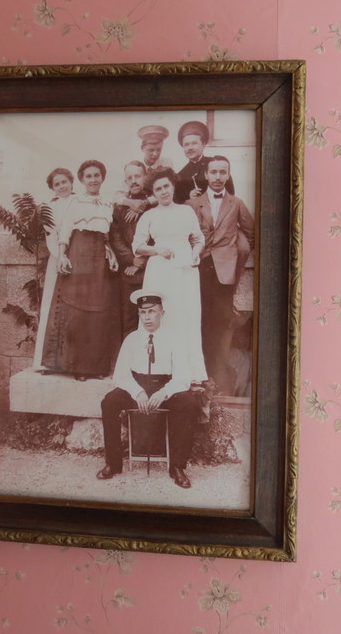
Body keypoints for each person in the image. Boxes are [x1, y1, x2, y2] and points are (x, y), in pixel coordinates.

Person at [97, 290, 203, 489]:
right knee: (109, 402)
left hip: (163, 387)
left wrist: (164, 392)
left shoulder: (173, 339)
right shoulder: (131, 339)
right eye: (143, 312)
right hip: (136, 387)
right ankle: (113, 463)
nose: (147, 317)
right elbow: (120, 375)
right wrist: (137, 391)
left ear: (162, 313)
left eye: (152, 311)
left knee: (189, 403)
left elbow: (182, 377)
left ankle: (177, 467)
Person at [41, 159, 120, 380]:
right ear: (82, 180)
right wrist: (62, 255)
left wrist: (111, 253)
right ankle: (76, 367)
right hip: (78, 254)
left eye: (97, 175)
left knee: (98, 312)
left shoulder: (107, 203)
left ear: (102, 178)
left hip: (99, 260)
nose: (93, 180)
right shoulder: (75, 201)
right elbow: (66, 230)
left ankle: (95, 368)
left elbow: (106, 235)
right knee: (77, 312)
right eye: (88, 176)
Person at [132, 167, 207, 384]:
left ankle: (188, 373)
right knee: (162, 315)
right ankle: (158, 370)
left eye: (166, 186)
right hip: (160, 271)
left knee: (186, 316)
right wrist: (157, 250)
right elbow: (137, 246)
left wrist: (195, 253)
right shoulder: (149, 215)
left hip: (185, 270)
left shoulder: (186, 211)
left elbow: (198, 238)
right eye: (158, 189)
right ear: (153, 193)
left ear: (173, 186)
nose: (164, 191)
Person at [188, 155, 254, 396]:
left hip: (224, 272)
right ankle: (197, 375)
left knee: (221, 324)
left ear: (228, 175)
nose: (217, 177)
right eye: (213, 172)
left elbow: (251, 232)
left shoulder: (236, 203)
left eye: (222, 172)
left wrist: (234, 251)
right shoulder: (192, 204)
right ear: (206, 175)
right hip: (198, 269)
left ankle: (216, 377)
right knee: (197, 321)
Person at [34, 167, 76, 368]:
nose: (61, 186)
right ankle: (48, 361)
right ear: (52, 188)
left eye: (64, 182)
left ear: (71, 182)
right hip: (58, 258)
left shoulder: (80, 201)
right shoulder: (49, 208)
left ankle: (73, 360)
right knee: (54, 306)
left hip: (81, 258)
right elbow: (51, 237)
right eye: (57, 184)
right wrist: (61, 257)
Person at [109, 161, 151, 338]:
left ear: (145, 177)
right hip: (129, 271)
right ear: (125, 181)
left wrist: (142, 261)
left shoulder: (154, 203)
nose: (134, 181)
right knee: (129, 319)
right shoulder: (119, 207)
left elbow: (160, 236)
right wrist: (132, 259)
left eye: (138, 176)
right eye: (129, 178)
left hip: (153, 269)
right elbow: (116, 237)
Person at [173, 120, 234, 204]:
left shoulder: (216, 164)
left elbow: (231, 194)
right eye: (186, 145)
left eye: (194, 143)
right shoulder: (180, 176)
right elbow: (178, 203)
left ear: (203, 144)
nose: (190, 148)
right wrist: (189, 198)